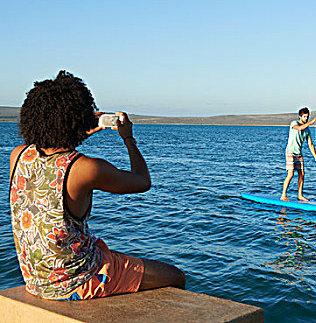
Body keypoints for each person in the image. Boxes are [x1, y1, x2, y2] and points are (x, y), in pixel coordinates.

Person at [9, 70, 185, 300]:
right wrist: (128, 138)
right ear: (78, 118)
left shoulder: (18, 155)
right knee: (174, 276)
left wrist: (78, 132)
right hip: (78, 280)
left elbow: (51, 152)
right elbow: (142, 181)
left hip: (36, 282)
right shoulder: (85, 168)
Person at [280, 107, 316, 201]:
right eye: (304, 117)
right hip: (290, 152)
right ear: (300, 116)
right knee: (290, 174)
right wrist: (311, 122)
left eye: (307, 117)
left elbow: (310, 144)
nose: (306, 119)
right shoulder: (294, 123)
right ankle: (283, 195)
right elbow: (300, 128)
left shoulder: (307, 130)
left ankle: (300, 195)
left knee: (301, 174)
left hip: (299, 154)